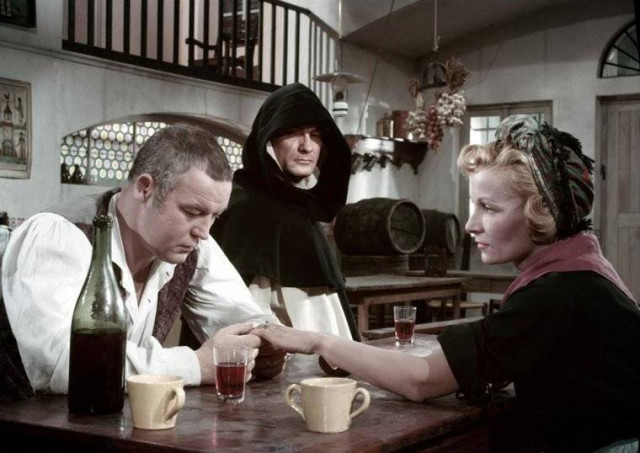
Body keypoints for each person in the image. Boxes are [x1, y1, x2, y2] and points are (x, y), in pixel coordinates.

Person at [252, 115, 640, 452]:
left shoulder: (556, 293)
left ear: (541, 212)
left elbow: (421, 381)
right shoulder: (581, 270)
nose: (471, 225)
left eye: (489, 208)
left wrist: (319, 341)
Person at [1, 123, 285, 401]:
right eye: (192, 211)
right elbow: (65, 364)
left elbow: (243, 318)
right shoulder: (59, 235)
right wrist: (196, 364)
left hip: (109, 423)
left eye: (215, 216)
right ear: (145, 189)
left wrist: (271, 341)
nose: (204, 231)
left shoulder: (190, 242)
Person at [211, 83, 359, 342]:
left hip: (323, 354)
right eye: (292, 133)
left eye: (315, 135)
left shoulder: (300, 206)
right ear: (268, 140)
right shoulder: (245, 209)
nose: (307, 146)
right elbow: (242, 318)